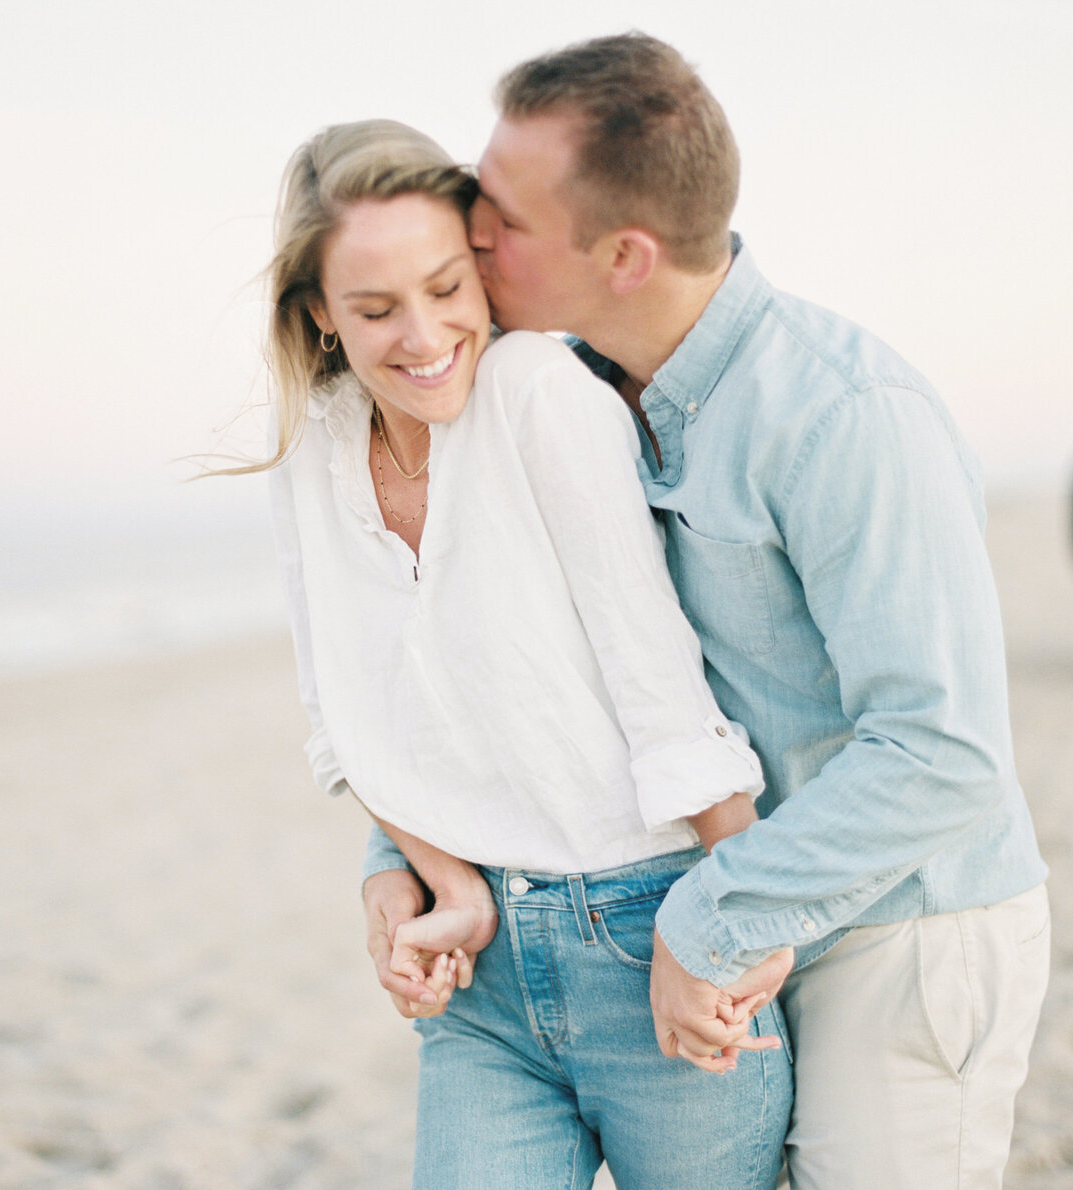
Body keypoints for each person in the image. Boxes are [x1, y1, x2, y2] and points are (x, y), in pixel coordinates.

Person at [362, 33, 1051, 1189]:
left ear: (624, 253)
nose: (469, 234)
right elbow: (505, 654)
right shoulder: (555, 392)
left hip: (899, 935)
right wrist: (399, 845)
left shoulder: (845, 414)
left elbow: (944, 752)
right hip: (712, 921)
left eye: (502, 217)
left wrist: (710, 922)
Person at [244, 119, 793, 1189]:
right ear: (317, 314)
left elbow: (660, 687)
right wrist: (445, 882)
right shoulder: (309, 446)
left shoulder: (538, 391)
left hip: (654, 931)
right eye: (374, 307)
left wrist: (736, 922)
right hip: (483, 993)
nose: (424, 333)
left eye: (447, 285)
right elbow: (342, 717)